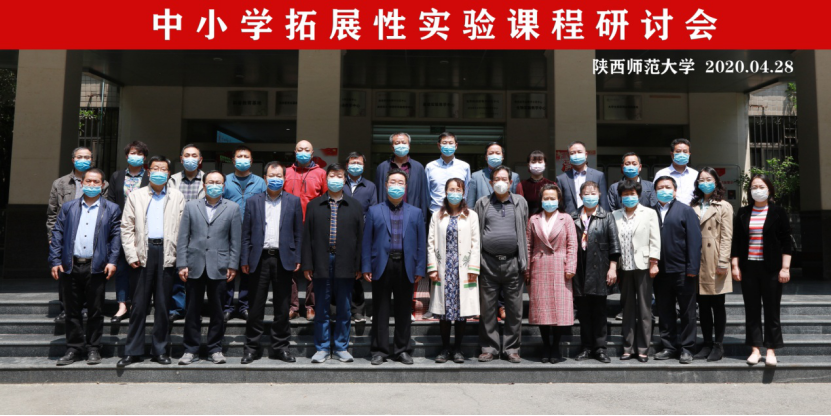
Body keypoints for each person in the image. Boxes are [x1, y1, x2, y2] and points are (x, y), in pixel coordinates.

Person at [118, 156, 186, 367]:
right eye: (155, 168)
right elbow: (126, 227)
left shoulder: (177, 196)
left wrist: (179, 257)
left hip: (167, 253)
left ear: (169, 174)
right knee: (138, 305)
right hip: (142, 253)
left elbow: (183, 229)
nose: (159, 172)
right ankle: (133, 351)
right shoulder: (136, 195)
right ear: (149, 172)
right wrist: (131, 255)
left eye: (163, 169)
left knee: (163, 306)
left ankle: (160, 350)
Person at [49, 169, 120, 366]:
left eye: (96, 182)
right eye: (88, 181)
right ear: (82, 183)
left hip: (96, 267)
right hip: (70, 265)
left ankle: (93, 348)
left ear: (103, 185)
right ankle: (73, 348)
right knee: (72, 310)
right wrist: (55, 260)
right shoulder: (69, 207)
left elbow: (116, 237)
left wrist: (112, 261)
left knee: (96, 310)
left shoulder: (112, 208)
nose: (92, 184)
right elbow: (57, 234)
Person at [240, 162, 303, 365]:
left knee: (282, 307)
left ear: (284, 178)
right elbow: (246, 234)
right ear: (265, 178)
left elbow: (298, 233)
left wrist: (298, 257)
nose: (275, 178)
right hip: (258, 259)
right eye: (271, 175)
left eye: (279, 175)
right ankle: (252, 348)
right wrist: (245, 259)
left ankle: (281, 347)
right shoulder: (253, 201)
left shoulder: (293, 201)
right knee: (255, 307)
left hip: (283, 259)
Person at [176, 171, 241, 366]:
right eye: (210, 182)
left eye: (218, 182)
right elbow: (183, 237)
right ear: (204, 185)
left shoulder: (233, 208)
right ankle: (190, 349)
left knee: (218, 311)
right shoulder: (191, 206)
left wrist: (233, 265)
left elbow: (235, 240)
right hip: (193, 265)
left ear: (224, 186)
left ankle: (215, 348)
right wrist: (182, 263)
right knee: (192, 310)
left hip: (220, 266)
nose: (214, 185)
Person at [302, 164, 364, 364]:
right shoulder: (314, 205)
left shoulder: (355, 206)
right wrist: (307, 264)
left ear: (344, 179)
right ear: (326, 179)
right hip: (321, 260)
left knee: (344, 308)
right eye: (332, 175)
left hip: (346, 262)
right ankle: (321, 347)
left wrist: (359, 265)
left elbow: (360, 238)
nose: (335, 179)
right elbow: (307, 237)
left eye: (339, 176)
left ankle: (341, 347)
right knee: (322, 307)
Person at [364, 169, 427, 366]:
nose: (396, 186)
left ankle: (403, 350)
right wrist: (366, 266)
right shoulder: (374, 211)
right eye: (393, 182)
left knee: (403, 310)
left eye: (400, 182)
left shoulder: (416, 212)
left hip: (406, 266)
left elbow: (421, 243)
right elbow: (367, 242)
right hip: (381, 265)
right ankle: (379, 351)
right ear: (386, 185)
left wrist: (420, 268)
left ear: (406, 187)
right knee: (380, 310)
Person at [731, 174, 793, 367]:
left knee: (772, 310)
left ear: (769, 190)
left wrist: (785, 268)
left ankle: (771, 350)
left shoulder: (778, 212)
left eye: (761, 186)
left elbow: (787, 242)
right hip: (749, 267)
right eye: (754, 187)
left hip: (772, 268)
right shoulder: (743, 212)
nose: (758, 190)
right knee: (752, 310)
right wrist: (735, 265)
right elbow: (737, 241)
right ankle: (755, 349)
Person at [47, 147, 109, 323]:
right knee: (65, 273)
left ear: (92, 160)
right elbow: (52, 214)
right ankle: (66, 309)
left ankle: (86, 309)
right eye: (79, 157)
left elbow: (106, 211)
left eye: (87, 157)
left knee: (90, 275)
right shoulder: (60, 183)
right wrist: (52, 237)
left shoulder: (102, 183)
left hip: (91, 236)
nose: (83, 160)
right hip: (66, 236)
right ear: (73, 160)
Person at [474, 166, 529, 364]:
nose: (500, 182)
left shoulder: (520, 202)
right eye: (496, 179)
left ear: (511, 182)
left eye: (504, 179)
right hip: (487, 262)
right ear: (490, 182)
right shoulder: (482, 203)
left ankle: (512, 348)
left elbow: (524, 230)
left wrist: (524, 261)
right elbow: (476, 231)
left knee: (514, 309)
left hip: (513, 262)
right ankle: (489, 348)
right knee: (487, 308)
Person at [428, 178, 480, 364]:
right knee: (443, 312)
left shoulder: (471, 215)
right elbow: (431, 242)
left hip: (463, 269)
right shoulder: (437, 215)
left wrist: (473, 267)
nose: (455, 193)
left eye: (458, 190)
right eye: (451, 189)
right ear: (445, 192)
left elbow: (475, 243)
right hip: (444, 268)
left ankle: (458, 348)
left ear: (463, 193)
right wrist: (432, 267)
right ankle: (444, 348)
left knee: (460, 311)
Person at [652, 176, 702, 365]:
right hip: (659, 271)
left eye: (668, 187)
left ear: (674, 191)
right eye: (660, 187)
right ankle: (669, 346)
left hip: (683, 270)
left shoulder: (685, 210)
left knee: (688, 312)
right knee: (665, 311)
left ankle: (687, 348)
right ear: (655, 191)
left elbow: (694, 241)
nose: (664, 190)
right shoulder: (651, 211)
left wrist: (692, 267)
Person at [525, 184, 577, 364]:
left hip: (560, 267)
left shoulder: (566, 218)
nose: (549, 201)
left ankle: (556, 346)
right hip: (539, 266)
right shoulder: (534, 219)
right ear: (541, 200)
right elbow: (528, 245)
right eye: (546, 198)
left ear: (559, 200)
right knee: (542, 310)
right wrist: (527, 269)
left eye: (552, 198)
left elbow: (572, 244)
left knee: (559, 310)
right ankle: (546, 344)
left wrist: (571, 267)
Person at [571, 181, 620, 364]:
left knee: (599, 311)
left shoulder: (606, 216)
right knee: (583, 312)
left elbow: (614, 244)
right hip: (579, 269)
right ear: (580, 196)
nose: (590, 196)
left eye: (593, 193)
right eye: (586, 193)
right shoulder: (573, 216)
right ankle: (586, 347)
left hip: (600, 268)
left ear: (599, 195)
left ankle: (600, 348)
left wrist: (612, 268)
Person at [612, 180, 661, 363]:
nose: (629, 197)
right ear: (620, 196)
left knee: (644, 308)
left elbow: (655, 239)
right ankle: (628, 347)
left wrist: (654, 262)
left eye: (632, 194)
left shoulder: (649, 213)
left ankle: (643, 348)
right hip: (624, 267)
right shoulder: (614, 215)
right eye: (625, 194)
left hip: (644, 266)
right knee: (627, 308)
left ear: (638, 195)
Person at [690, 167, 734, 362]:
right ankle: (707, 342)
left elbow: (727, 236)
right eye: (701, 180)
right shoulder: (693, 205)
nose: (705, 183)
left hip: (715, 259)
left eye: (709, 179)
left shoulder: (723, 206)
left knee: (717, 304)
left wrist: (723, 261)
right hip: (697, 259)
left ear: (716, 182)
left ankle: (718, 344)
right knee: (703, 305)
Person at [106, 141, 151, 322]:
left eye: (140, 153)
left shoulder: (149, 176)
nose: (136, 156)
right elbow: (110, 201)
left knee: (140, 267)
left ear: (145, 157)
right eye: (132, 153)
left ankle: (138, 304)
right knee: (122, 267)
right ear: (126, 156)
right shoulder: (117, 176)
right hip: (120, 227)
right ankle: (122, 305)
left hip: (144, 228)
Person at [285, 140, 328, 322]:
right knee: (290, 268)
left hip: (313, 227)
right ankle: (293, 306)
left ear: (312, 153)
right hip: (289, 226)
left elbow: (325, 199)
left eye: (307, 149)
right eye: (300, 149)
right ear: (295, 152)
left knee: (313, 268)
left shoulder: (321, 173)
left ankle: (311, 306)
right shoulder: (286, 172)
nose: (303, 152)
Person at [222, 145, 267, 322]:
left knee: (248, 271)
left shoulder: (260, 182)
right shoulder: (225, 181)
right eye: (239, 156)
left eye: (246, 157)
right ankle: (227, 306)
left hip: (251, 234)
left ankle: (244, 305)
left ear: (251, 160)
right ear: (233, 160)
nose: (242, 159)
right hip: (228, 233)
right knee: (228, 271)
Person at [167, 144, 206, 323]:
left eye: (194, 155)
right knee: (178, 271)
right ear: (181, 159)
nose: (191, 158)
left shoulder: (207, 179)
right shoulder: (172, 180)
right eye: (187, 155)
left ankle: (194, 308)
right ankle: (177, 308)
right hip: (177, 230)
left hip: (200, 232)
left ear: (200, 160)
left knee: (197, 273)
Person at [343, 151, 378, 323]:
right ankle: (339, 308)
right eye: (352, 163)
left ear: (364, 166)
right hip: (340, 234)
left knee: (357, 272)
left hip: (361, 235)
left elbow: (373, 210)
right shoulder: (339, 183)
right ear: (346, 165)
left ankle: (357, 310)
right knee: (340, 272)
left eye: (359, 163)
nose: (355, 166)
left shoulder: (370, 186)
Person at [375, 132, 430, 219]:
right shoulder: (382, 167)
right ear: (392, 147)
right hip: (386, 215)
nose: (401, 145)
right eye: (397, 143)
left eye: (404, 143)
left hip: (411, 216)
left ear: (409, 146)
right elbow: (378, 194)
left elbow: (423, 196)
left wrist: (423, 220)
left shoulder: (418, 167)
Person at [557, 141, 610, 214]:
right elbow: (559, 204)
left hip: (594, 218)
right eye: (572, 153)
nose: (576, 155)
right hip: (570, 218)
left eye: (579, 152)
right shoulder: (561, 179)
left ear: (586, 155)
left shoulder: (598, 176)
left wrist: (604, 218)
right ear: (569, 156)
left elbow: (603, 202)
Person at [426, 132, 472, 216]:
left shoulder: (464, 166)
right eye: (444, 143)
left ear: (456, 146)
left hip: (459, 213)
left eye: (451, 143)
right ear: (439, 146)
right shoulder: (430, 167)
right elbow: (426, 193)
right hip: (436, 213)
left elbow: (467, 191)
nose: (448, 145)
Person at [654, 139, 699, 205]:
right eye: (678, 151)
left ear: (689, 154)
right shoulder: (661, 174)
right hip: (669, 210)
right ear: (672, 154)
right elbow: (654, 195)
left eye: (685, 151)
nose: (682, 154)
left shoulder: (695, 174)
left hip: (692, 209)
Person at [519, 150, 557, 216]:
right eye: (533, 162)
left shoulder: (552, 184)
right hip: (528, 219)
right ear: (528, 165)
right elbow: (520, 208)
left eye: (540, 162)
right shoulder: (522, 185)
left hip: (548, 218)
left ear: (545, 164)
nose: (537, 164)